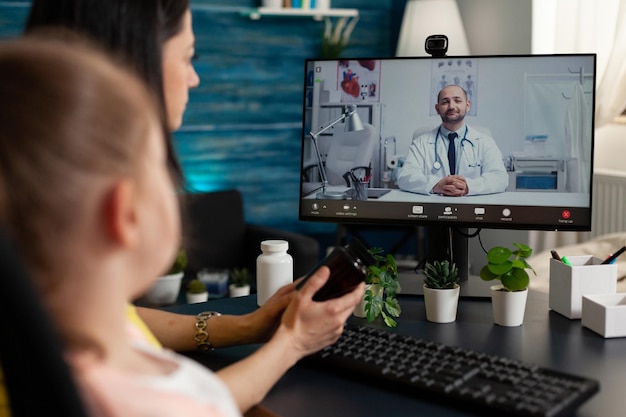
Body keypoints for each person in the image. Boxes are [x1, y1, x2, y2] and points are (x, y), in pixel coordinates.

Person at [19, 0, 365, 415]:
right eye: (189, 57)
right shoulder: (116, 396)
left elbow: (126, 323)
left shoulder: (45, 304)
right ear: (124, 211)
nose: (195, 78)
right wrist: (294, 343)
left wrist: (247, 327)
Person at [396, 85, 508, 196]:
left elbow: (500, 178)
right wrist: (436, 185)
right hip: (433, 208)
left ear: (467, 106)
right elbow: (405, 176)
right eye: (445, 102)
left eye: (457, 101)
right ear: (437, 109)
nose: (451, 106)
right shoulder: (421, 143)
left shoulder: (485, 142)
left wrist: (468, 187)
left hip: (472, 209)